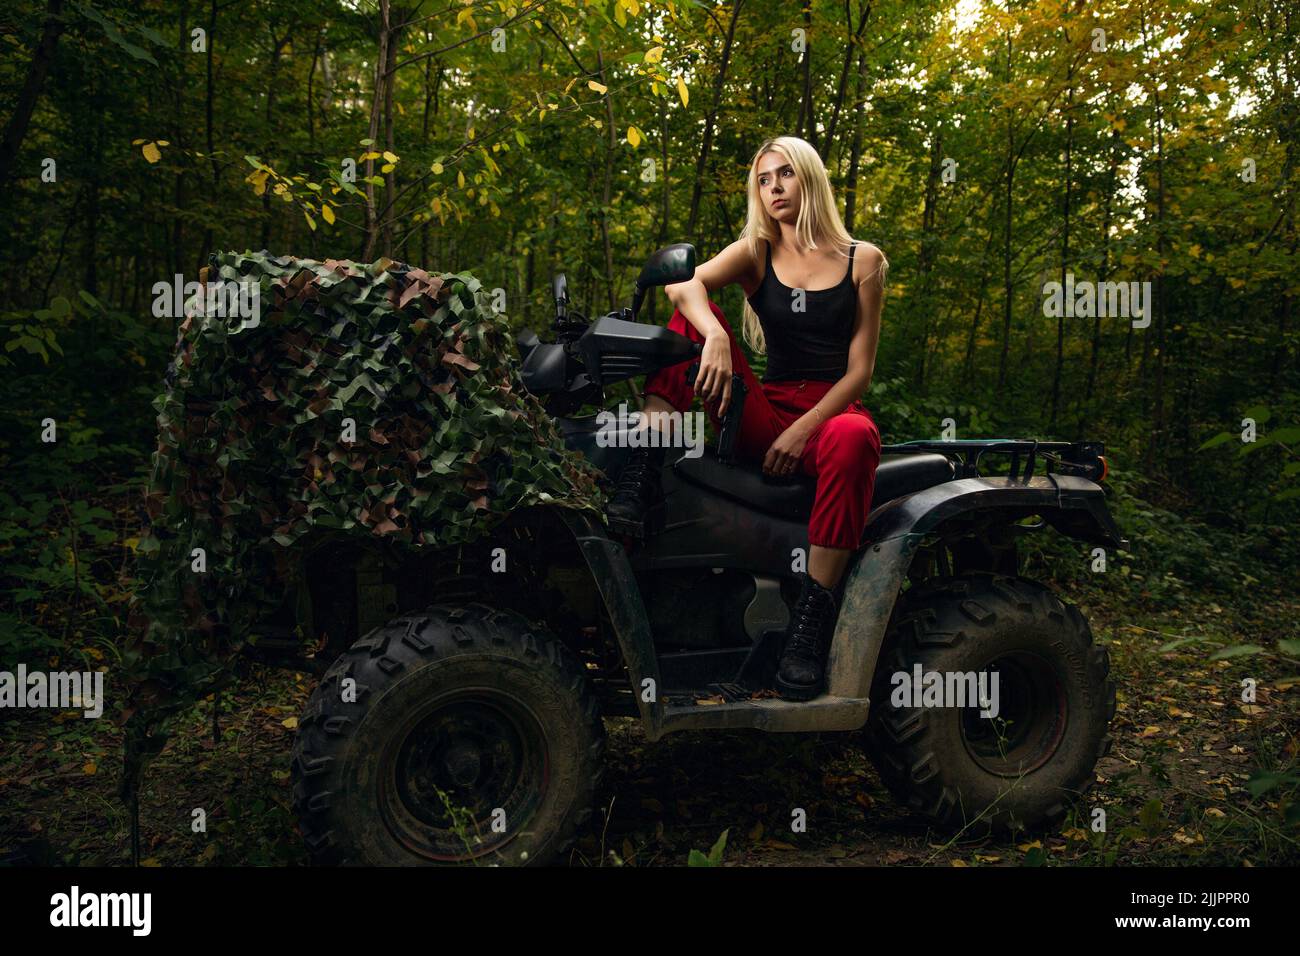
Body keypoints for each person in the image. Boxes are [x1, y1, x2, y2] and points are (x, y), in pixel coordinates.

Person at [606, 135, 888, 701]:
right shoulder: (756, 250)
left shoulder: (865, 260)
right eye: (763, 179)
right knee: (689, 322)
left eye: (784, 174)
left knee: (856, 434)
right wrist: (713, 332)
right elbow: (684, 287)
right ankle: (642, 466)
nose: (774, 187)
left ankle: (809, 626)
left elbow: (859, 373)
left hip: (828, 418)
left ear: (809, 178)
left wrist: (804, 428)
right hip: (764, 409)